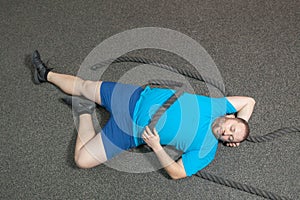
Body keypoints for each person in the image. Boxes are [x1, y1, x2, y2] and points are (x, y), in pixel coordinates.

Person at [31, 50, 256, 180]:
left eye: (229, 139)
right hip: (131, 97)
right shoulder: (218, 106)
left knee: (81, 160)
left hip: (130, 132)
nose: (227, 134)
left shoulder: (208, 149)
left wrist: (157, 147)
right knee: (84, 85)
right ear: (231, 117)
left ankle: (83, 110)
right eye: (232, 129)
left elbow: (178, 173)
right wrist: (244, 122)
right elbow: (249, 101)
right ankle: (46, 74)